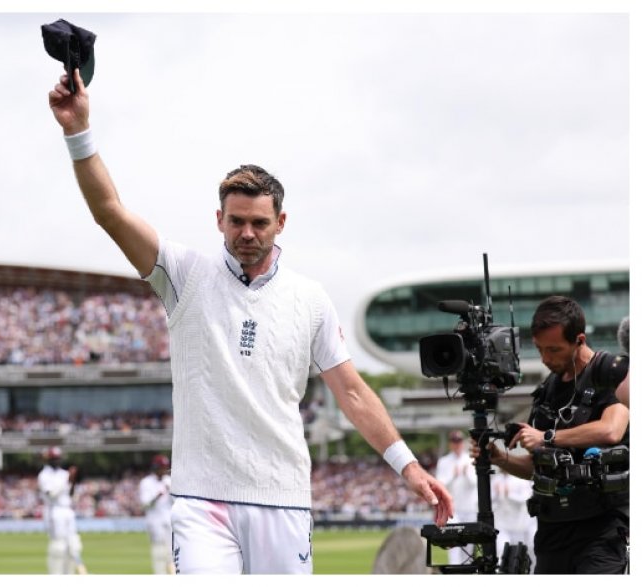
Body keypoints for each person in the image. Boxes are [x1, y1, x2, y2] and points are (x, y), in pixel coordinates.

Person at [48, 68, 452, 574]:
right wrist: (77, 131)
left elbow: (352, 392)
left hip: (282, 494)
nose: (246, 233)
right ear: (218, 219)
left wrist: (408, 466)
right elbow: (110, 211)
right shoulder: (183, 274)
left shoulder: (310, 298)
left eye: (259, 222)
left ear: (281, 223)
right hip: (201, 497)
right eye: (235, 221)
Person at [473, 295, 629, 574]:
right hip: (551, 530)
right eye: (539, 349)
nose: (546, 358)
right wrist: (500, 458)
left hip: (601, 529)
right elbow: (536, 468)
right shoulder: (547, 390)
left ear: (579, 340)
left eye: (554, 350)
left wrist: (547, 437)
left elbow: (611, 430)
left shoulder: (609, 374)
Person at [37, 446, 87, 574]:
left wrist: (73, 482)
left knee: (73, 544)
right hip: (54, 511)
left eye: (58, 458)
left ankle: (68, 575)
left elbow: (71, 495)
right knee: (58, 546)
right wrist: (67, 481)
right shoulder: (44, 475)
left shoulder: (64, 474)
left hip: (67, 510)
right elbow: (50, 494)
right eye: (54, 459)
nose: (57, 461)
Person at [434, 429, 478, 565]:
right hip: (453, 509)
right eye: (454, 441)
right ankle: (454, 572)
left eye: (459, 441)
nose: (457, 444)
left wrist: (466, 474)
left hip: (470, 508)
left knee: (469, 547)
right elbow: (440, 485)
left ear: (462, 443)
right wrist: (453, 475)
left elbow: (475, 484)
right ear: (450, 444)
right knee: (453, 544)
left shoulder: (471, 459)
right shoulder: (444, 461)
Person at [491, 468, 537, 571]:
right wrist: (497, 494)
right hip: (503, 526)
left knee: (530, 551)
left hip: (521, 526)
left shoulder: (523, 479)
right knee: (501, 551)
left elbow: (525, 499)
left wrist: (509, 494)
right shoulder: (496, 480)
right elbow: (491, 501)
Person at [138, 454, 174, 574]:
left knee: (171, 552)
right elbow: (145, 504)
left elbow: (176, 503)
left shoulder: (169, 481)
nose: (164, 470)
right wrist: (157, 496)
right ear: (155, 467)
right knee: (159, 552)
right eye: (161, 467)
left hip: (169, 520)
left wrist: (171, 493)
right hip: (154, 522)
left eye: (165, 467)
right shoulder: (146, 482)